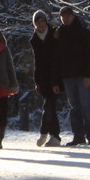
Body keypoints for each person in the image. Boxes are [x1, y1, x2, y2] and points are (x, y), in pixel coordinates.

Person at [57, 6, 90, 146]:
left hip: (82, 75)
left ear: (73, 16)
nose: (66, 18)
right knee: (74, 107)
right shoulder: (59, 33)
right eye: (63, 16)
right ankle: (78, 136)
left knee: (86, 105)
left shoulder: (83, 32)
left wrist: (88, 74)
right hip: (67, 76)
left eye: (68, 15)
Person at [29, 10, 63, 146]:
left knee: (49, 105)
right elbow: (37, 62)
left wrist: (55, 81)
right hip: (43, 79)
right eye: (38, 22)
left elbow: (57, 59)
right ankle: (55, 137)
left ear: (46, 21)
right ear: (35, 24)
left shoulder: (55, 34)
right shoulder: (34, 40)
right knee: (51, 107)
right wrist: (36, 82)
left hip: (56, 76)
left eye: (42, 21)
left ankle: (44, 132)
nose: (41, 24)